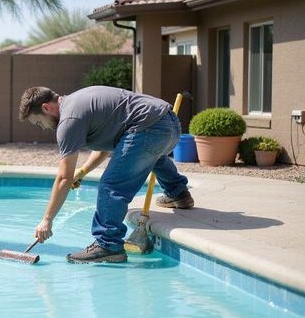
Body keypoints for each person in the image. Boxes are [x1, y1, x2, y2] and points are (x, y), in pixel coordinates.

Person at [18, 85, 194, 263]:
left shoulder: (68, 120)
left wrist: (46, 220)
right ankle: (178, 193)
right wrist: (82, 172)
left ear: (46, 108)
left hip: (149, 128)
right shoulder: (78, 102)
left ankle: (108, 245)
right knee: (150, 155)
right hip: (169, 123)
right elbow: (104, 149)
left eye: (39, 122)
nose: (43, 127)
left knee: (110, 186)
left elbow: (63, 178)